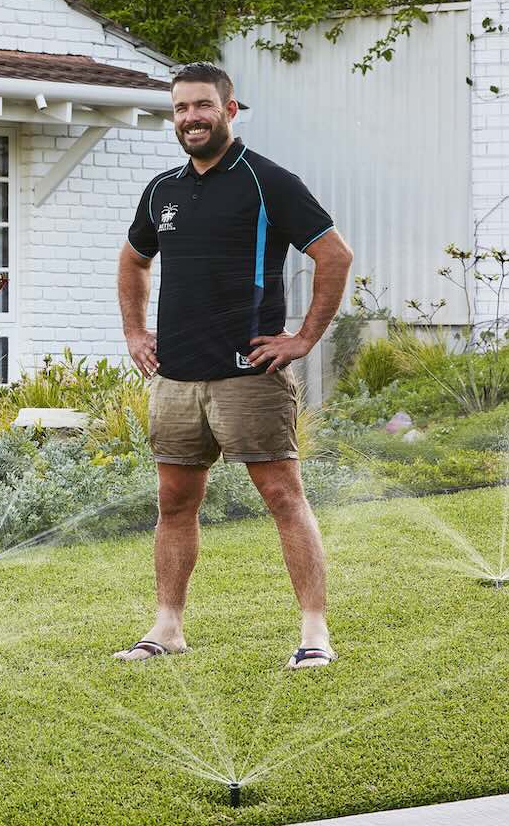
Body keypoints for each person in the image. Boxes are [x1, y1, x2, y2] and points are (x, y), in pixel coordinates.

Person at [115, 62, 353, 670]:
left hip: (248, 375)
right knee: (173, 503)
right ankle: (167, 627)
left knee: (282, 496)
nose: (191, 118)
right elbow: (134, 260)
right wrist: (135, 332)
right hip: (174, 377)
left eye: (202, 106)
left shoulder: (268, 180)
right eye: (180, 109)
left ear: (230, 109)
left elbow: (334, 255)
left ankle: (314, 633)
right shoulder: (162, 189)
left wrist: (301, 338)